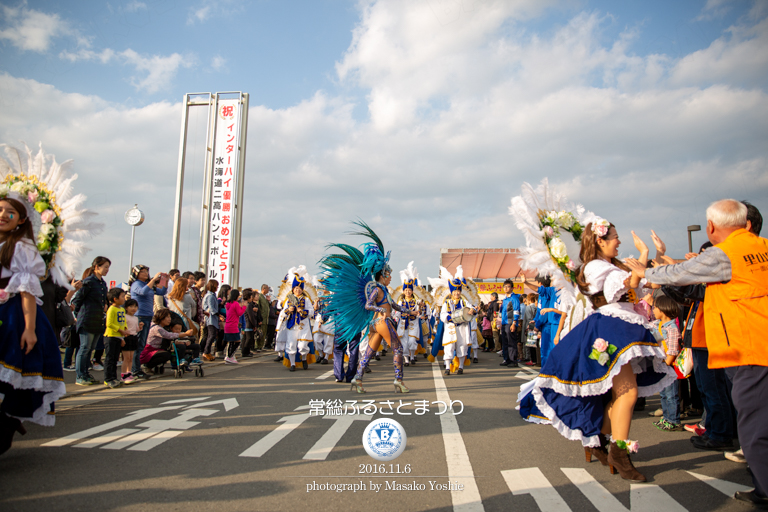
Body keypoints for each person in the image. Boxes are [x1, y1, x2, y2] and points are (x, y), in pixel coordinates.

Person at [626, 199, 768, 506]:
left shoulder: (727, 252)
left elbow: (682, 273)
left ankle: (765, 488)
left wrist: (648, 269)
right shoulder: (763, 247)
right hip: (757, 343)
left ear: (712, 226)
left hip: (748, 348)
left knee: (754, 424)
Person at [519, 219, 675, 483]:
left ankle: (601, 442)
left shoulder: (612, 265)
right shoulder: (594, 267)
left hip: (625, 329)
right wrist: (643, 258)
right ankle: (617, 451)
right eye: (614, 236)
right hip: (610, 331)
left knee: (619, 394)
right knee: (628, 392)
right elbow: (624, 286)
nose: (619, 240)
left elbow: (648, 283)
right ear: (600, 241)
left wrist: (655, 255)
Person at [0, 196, 66, 454]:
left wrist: (29, 329)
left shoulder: (21, 247)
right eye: (0, 210)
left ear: (22, 220)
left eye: (10, 212)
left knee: (12, 376)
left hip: (12, 316)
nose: (3, 215)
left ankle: (7, 422)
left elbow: (27, 292)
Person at [320, 221, 409, 393]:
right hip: (382, 322)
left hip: (377, 324)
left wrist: (409, 310)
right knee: (398, 348)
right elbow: (369, 305)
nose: (390, 278)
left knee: (368, 353)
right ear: (383, 274)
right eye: (389, 274)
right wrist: (380, 310)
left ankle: (357, 379)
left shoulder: (383, 289)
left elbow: (395, 305)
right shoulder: (376, 289)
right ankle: (399, 380)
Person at [72, 256, 111, 385]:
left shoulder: (102, 283)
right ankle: (80, 376)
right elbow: (77, 300)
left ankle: (86, 374)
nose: (107, 270)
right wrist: (77, 314)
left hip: (97, 320)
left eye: (108, 267)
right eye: (105, 267)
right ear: (96, 267)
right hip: (87, 319)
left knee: (90, 349)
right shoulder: (88, 282)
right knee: (84, 348)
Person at [129, 265, 167, 379]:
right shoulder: (136, 284)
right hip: (139, 315)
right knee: (138, 344)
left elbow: (161, 292)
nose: (146, 273)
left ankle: (137, 368)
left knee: (142, 344)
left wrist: (165, 280)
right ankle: (135, 369)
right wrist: (153, 280)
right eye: (143, 272)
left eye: (146, 271)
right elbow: (143, 292)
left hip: (147, 316)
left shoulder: (148, 285)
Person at [652, 295, 684, 432]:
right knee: (664, 394)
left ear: (663, 310)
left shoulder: (671, 328)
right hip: (661, 365)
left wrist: (666, 364)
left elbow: (673, 350)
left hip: (669, 366)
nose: (653, 310)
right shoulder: (657, 325)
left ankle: (673, 420)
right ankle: (666, 417)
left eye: (655, 307)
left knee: (671, 394)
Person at [276, 271, 315, 371]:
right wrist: (288, 310)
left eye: (299, 289)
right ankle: (292, 364)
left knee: (302, 346)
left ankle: (304, 358)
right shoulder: (288, 300)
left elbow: (311, 312)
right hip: (292, 325)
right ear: (293, 289)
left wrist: (302, 311)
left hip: (303, 325)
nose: (298, 290)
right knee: (291, 345)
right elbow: (283, 313)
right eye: (296, 288)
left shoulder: (306, 300)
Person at [439, 276, 477, 375]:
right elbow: (442, 314)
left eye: (458, 291)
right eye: (455, 291)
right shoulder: (447, 302)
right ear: (451, 292)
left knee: (462, 346)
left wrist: (473, 310)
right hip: (450, 327)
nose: (457, 293)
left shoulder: (464, 302)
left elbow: (472, 308)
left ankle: (460, 367)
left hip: (462, 327)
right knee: (449, 346)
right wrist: (448, 317)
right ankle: (447, 367)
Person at [139, 308, 194, 373]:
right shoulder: (157, 328)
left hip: (156, 350)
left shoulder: (157, 326)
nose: (169, 319)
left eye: (170, 317)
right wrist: (185, 334)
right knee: (166, 355)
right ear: (161, 318)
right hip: (149, 351)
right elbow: (169, 335)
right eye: (167, 317)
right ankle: (147, 366)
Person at [103, 288, 128, 389]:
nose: (124, 298)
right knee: (109, 358)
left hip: (119, 337)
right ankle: (108, 379)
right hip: (111, 336)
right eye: (122, 296)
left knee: (115, 359)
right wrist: (120, 330)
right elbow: (109, 324)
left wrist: (124, 332)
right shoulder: (111, 309)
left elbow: (123, 322)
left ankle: (114, 378)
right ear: (115, 299)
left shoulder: (121, 309)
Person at [498, 279, 520, 367]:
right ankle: (506, 359)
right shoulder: (505, 299)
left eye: (508, 286)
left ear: (512, 288)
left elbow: (516, 311)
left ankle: (513, 360)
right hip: (504, 323)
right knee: (505, 341)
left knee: (511, 342)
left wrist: (514, 323)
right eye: (505, 286)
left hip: (510, 323)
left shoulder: (514, 298)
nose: (506, 288)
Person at [223, 288, 247, 364]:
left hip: (228, 325)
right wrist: (244, 307)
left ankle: (229, 356)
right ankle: (229, 356)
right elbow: (240, 313)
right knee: (237, 341)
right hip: (233, 326)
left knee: (231, 342)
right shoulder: (235, 303)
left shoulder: (228, 304)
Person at [121, 298, 141, 384]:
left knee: (131, 358)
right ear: (126, 307)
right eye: (131, 306)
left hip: (134, 337)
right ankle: (124, 375)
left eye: (135, 306)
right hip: (126, 337)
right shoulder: (124, 317)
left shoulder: (136, 318)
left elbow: (136, 329)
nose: (133, 308)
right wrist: (122, 337)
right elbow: (122, 327)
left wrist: (140, 327)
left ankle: (129, 374)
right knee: (126, 358)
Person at [201, 279, 219, 361]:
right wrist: (219, 315)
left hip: (212, 318)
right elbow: (211, 308)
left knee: (210, 336)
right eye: (216, 286)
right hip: (210, 318)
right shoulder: (210, 296)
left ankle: (207, 352)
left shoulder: (212, 295)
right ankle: (205, 352)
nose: (217, 287)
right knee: (211, 335)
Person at [241, 289, 260, 358]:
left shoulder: (244, 304)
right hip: (248, 324)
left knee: (245, 338)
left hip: (245, 323)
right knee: (248, 339)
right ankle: (245, 352)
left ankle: (245, 351)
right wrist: (254, 325)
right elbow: (251, 316)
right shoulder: (248, 305)